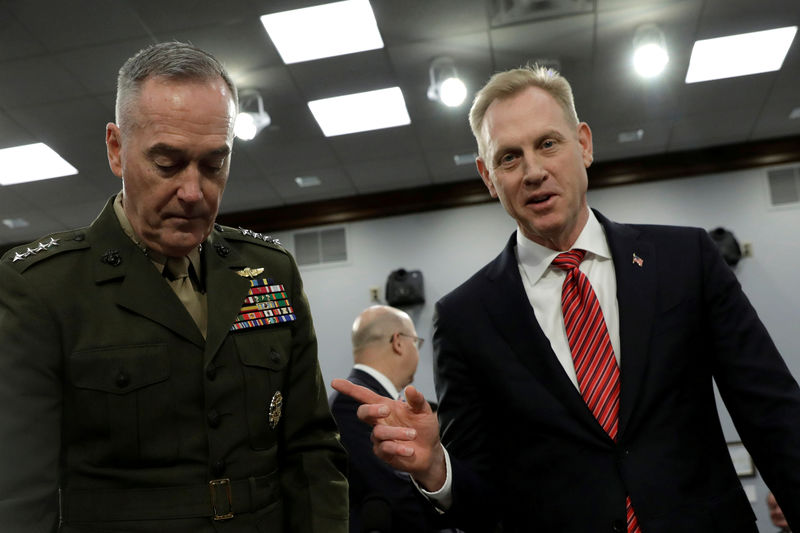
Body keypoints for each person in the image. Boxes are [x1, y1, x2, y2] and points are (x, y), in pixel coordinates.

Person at [332, 65, 800, 532]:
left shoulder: (686, 260)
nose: (534, 171)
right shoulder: (464, 318)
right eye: (509, 157)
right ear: (488, 177)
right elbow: (483, 500)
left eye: (548, 144)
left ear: (584, 144)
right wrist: (437, 469)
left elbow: (774, 414)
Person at [0, 42, 347, 532]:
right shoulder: (44, 288)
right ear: (116, 149)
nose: (193, 191)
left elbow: (312, 452)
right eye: (167, 163)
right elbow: (17, 495)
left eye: (213, 165)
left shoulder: (270, 272)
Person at [330, 305, 441, 532]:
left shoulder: (366, 399)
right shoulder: (351, 403)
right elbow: (394, 493)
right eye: (416, 343)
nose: (417, 352)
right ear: (398, 342)